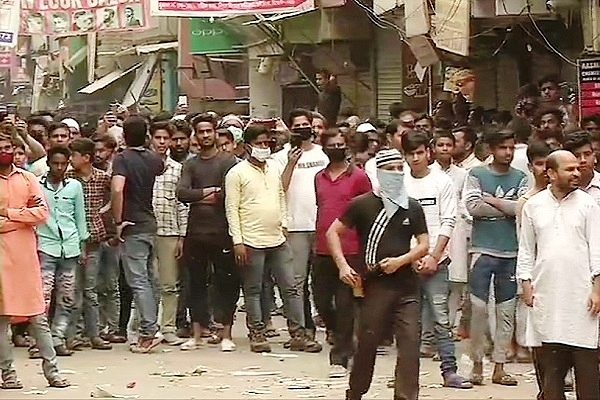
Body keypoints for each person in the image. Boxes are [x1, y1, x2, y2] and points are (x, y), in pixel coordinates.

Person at [327, 148, 429, 400]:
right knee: (368, 343)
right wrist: (342, 266)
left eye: (399, 169)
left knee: (409, 345)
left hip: (407, 285)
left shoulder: (412, 207)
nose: (395, 173)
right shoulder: (362, 204)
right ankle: (356, 391)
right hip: (374, 285)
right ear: (379, 172)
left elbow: (424, 243)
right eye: (390, 169)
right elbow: (332, 233)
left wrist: (402, 260)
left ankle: (405, 395)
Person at [517, 150, 600, 400]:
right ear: (551, 173)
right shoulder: (533, 206)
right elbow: (526, 249)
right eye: (569, 169)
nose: (576, 173)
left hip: (582, 298)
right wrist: (526, 283)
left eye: (578, 168)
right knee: (551, 374)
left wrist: (597, 289)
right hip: (546, 297)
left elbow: (597, 250)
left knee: (587, 372)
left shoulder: (588, 205)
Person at [225, 125, 305, 353]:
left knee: (290, 287)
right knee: (254, 290)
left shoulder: (272, 168)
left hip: (277, 239)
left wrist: (285, 222)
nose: (263, 148)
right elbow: (231, 209)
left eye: (267, 143)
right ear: (248, 146)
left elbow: (280, 195)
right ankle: (257, 333)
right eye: (259, 144)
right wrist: (237, 241)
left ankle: (298, 333)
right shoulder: (237, 173)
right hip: (250, 241)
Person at [0, 131, 71, 389]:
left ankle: (52, 372)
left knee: (38, 316)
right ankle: (8, 375)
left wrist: (8, 214)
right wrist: (20, 220)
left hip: (26, 259)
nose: (4, 152)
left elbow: (41, 212)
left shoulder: (28, 178)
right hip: (1, 260)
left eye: (8, 147)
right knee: (2, 320)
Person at [401, 132, 471, 389]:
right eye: (411, 153)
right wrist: (408, 258)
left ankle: (449, 371)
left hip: (437, 262)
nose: (416, 158)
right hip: (406, 262)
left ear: (428, 152)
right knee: (407, 320)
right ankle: (406, 374)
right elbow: (396, 223)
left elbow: (448, 220)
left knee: (441, 318)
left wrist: (433, 255)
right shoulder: (400, 182)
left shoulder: (442, 182)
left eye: (420, 152)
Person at [463, 129, 528, 386]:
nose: (508, 153)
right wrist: (507, 207)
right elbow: (472, 207)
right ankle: (477, 363)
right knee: (478, 309)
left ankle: (500, 366)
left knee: (506, 311)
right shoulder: (476, 174)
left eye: (511, 148)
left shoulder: (522, 177)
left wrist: (492, 201)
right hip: (482, 250)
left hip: (511, 251)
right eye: (503, 148)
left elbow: (520, 209)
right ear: (491, 149)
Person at [176, 114, 239, 352]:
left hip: (223, 232)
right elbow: (182, 193)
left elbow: (228, 194)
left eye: (208, 131)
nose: (205, 136)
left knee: (226, 284)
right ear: (196, 134)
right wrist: (208, 192)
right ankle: (196, 334)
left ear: (215, 133)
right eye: (200, 132)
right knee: (195, 283)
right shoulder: (190, 164)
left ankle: (226, 334)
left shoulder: (228, 162)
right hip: (196, 233)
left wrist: (200, 195)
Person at [314, 128, 372, 378]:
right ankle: (340, 336)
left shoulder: (359, 177)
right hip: (322, 249)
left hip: (351, 250)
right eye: (331, 144)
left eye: (341, 144)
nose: (336, 148)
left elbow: (368, 211)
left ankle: (340, 355)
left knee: (346, 304)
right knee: (322, 302)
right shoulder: (318, 177)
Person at [273, 108, 328, 352]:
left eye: (307, 125)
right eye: (298, 126)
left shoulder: (323, 154)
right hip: (294, 227)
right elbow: (279, 188)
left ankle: (332, 330)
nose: (303, 129)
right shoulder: (280, 157)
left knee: (323, 281)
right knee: (296, 283)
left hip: (321, 225)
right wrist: (291, 163)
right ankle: (301, 331)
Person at [111, 117, 164, 353]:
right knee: (150, 279)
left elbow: (117, 189)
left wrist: (118, 220)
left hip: (131, 224)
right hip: (150, 223)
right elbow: (160, 168)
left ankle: (148, 332)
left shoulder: (122, 159)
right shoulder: (153, 158)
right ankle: (152, 326)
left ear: (124, 135)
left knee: (138, 281)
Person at [37, 146, 89, 356]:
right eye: (55, 163)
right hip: (45, 245)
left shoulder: (74, 186)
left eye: (63, 164)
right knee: (43, 297)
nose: (59, 168)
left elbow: (79, 217)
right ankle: (39, 342)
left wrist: (82, 246)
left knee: (67, 297)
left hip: (69, 246)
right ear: (48, 163)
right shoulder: (37, 185)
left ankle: (58, 337)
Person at [65, 138, 113, 351]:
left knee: (91, 290)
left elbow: (117, 194)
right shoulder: (67, 178)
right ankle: (72, 335)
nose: (70, 160)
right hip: (73, 240)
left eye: (74, 155)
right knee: (73, 291)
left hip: (94, 239)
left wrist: (105, 211)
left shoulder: (102, 178)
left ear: (86, 157)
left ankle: (94, 334)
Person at [150, 122, 188, 346]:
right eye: (158, 138)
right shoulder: (143, 165)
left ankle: (168, 327)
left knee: (169, 284)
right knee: (147, 283)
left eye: (167, 138)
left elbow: (183, 205)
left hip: (170, 230)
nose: (162, 142)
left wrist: (182, 235)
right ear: (151, 139)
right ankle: (148, 326)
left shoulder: (178, 169)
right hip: (145, 230)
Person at [430, 131, 469, 335]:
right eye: (440, 145)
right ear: (433, 148)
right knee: (436, 282)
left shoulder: (462, 175)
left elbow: (465, 204)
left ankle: (450, 325)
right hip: (436, 228)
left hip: (459, 228)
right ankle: (433, 329)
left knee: (456, 280)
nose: (445, 149)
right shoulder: (428, 173)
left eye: (448, 145)